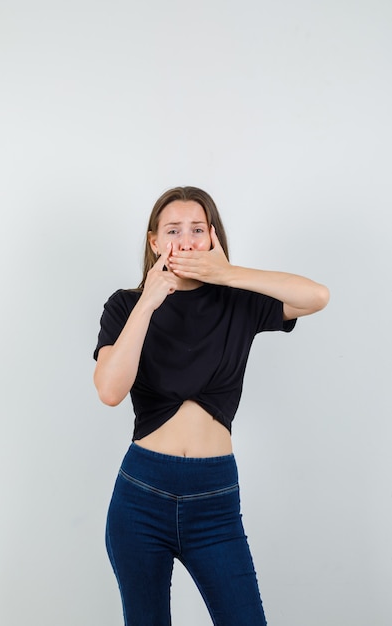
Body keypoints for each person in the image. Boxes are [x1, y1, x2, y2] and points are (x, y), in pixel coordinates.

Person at [93, 186, 329, 626]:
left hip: (214, 500)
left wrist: (228, 273)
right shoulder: (125, 305)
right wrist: (148, 301)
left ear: (213, 236)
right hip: (141, 496)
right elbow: (109, 390)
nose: (186, 240)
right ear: (154, 242)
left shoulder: (237, 301)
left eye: (198, 230)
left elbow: (316, 296)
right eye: (173, 230)